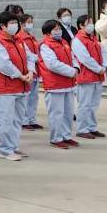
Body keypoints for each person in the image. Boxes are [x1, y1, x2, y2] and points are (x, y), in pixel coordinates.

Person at [0, 12, 32, 160]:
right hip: (6, 88)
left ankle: (13, 146)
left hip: (22, 85)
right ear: (3, 26)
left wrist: (30, 72)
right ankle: (5, 150)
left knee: (17, 119)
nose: (15, 25)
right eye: (12, 23)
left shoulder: (18, 39)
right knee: (6, 119)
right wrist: (20, 75)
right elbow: (3, 64)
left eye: (16, 23)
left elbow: (29, 57)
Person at [38, 19, 79, 149]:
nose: (58, 31)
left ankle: (66, 136)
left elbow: (72, 57)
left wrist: (76, 68)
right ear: (47, 33)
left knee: (68, 112)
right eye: (55, 29)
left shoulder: (64, 42)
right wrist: (71, 71)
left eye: (59, 29)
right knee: (57, 113)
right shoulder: (45, 45)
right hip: (55, 84)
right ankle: (56, 138)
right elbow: (52, 64)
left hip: (68, 83)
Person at [72, 15, 107, 139]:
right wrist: (99, 69)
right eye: (89, 23)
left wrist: (104, 66)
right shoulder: (78, 40)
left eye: (92, 22)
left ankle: (92, 127)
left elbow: (103, 51)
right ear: (81, 25)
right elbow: (85, 58)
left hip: (97, 76)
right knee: (84, 104)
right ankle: (82, 129)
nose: (91, 25)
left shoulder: (93, 38)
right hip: (86, 77)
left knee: (94, 104)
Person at [17, 14, 43, 131]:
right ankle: (24, 120)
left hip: (35, 70)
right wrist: (39, 58)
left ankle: (31, 119)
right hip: (27, 71)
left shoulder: (31, 37)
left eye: (31, 21)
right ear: (22, 24)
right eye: (28, 22)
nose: (30, 24)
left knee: (34, 97)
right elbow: (27, 55)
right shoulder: (20, 37)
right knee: (26, 97)